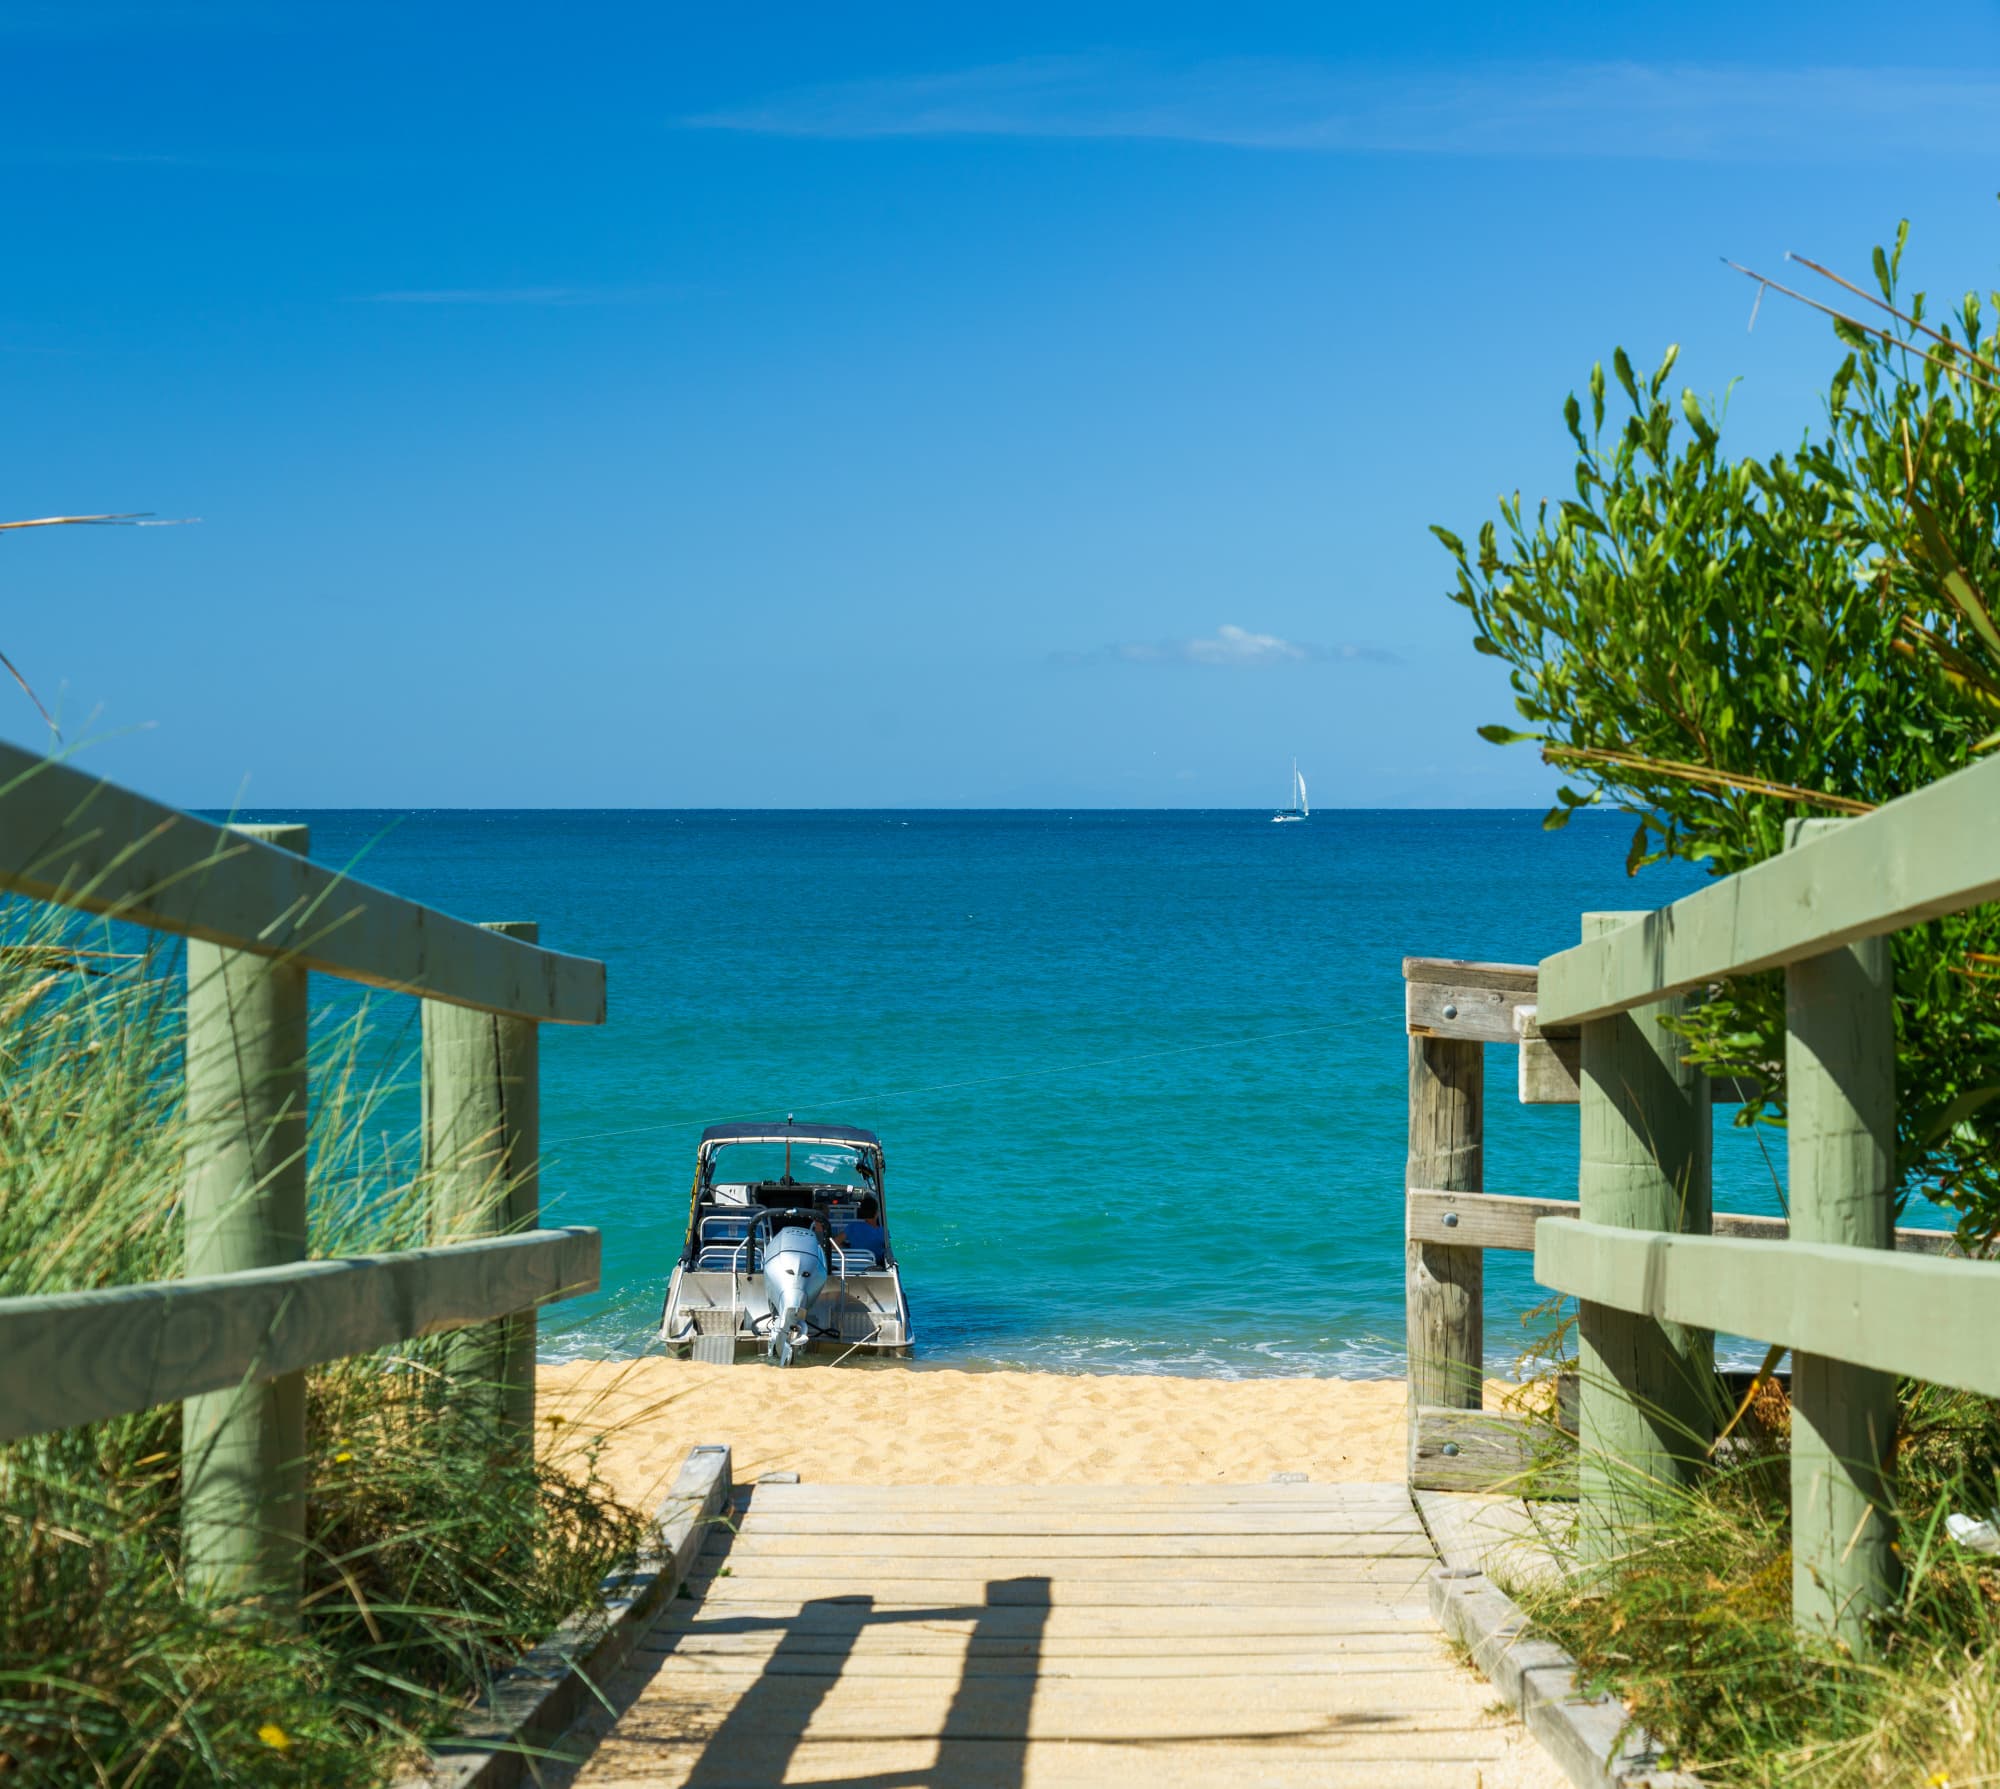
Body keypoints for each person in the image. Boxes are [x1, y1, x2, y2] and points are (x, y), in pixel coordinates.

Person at [840, 1196, 887, 1265]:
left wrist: (847, 1250)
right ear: (877, 1213)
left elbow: (833, 1244)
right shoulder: (882, 1232)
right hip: (873, 1266)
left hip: (854, 1266)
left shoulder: (853, 1227)